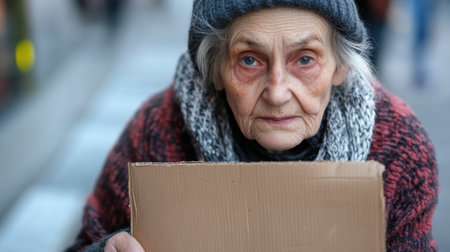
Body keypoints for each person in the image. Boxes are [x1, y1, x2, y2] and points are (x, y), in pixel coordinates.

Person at [66, 0, 439, 251]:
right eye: (249, 61)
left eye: (305, 59)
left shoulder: (398, 148)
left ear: (339, 68)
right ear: (215, 70)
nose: (277, 93)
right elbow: (87, 240)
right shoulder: (156, 129)